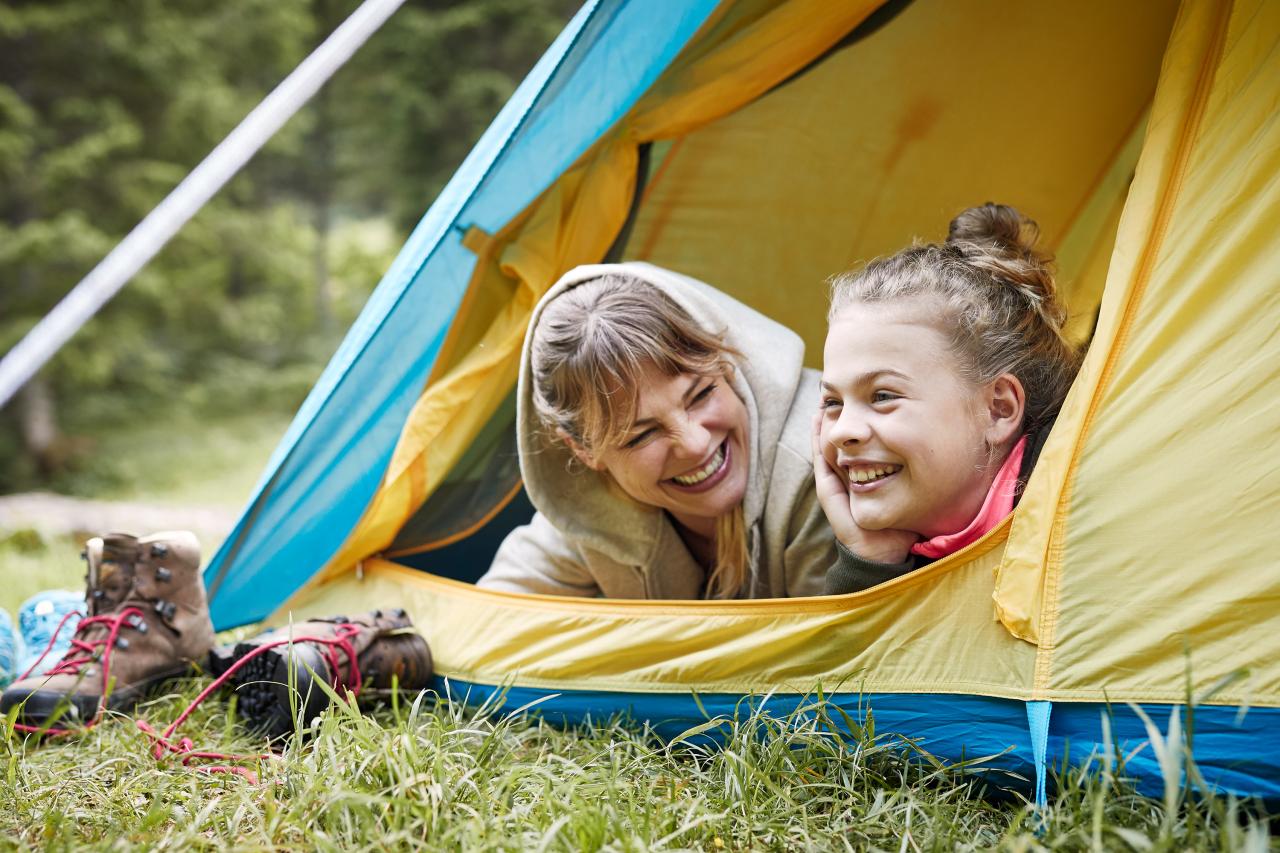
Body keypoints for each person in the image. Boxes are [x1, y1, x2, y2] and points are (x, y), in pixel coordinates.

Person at [477, 262, 834, 599]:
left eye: (701, 394)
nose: (695, 444)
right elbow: (493, 614)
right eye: (641, 435)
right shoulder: (590, 506)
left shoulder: (820, 460)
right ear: (584, 452)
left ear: (727, 367)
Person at [816, 203, 1081, 594]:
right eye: (832, 403)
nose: (842, 432)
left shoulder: (1081, 522)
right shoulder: (897, 535)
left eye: (883, 395)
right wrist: (869, 562)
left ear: (998, 409)